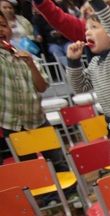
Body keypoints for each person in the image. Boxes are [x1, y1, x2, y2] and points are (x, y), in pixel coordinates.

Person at [0, 11, 67, 172]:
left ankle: (70, 194)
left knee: (58, 160)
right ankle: (46, 196)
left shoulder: (25, 53)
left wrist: (30, 64)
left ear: (10, 28)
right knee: (30, 167)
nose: (1, 30)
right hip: (13, 123)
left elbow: (42, 87)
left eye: (3, 25)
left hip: (38, 118)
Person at [31, 0, 110, 68]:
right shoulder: (85, 29)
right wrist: (73, 62)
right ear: (91, 10)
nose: (105, 9)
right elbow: (58, 18)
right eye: (102, 5)